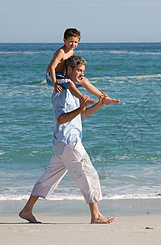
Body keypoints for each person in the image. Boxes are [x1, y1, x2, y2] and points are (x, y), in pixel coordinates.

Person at [20, 55, 117, 224]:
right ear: (69, 70)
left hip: (61, 145)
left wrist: (100, 104)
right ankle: (96, 215)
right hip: (69, 142)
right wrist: (80, 106)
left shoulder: (73, 93)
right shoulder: (62, 92)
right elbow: (61, 119)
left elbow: (81, 115)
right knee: (88, 173)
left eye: (83, 71)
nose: (81, 74)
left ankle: (27, 210)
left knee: (48, 178)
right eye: (79, 70)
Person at [46, 28, 120, 105]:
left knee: (84, 81)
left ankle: (103, 98)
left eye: (75, 42)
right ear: (64, 40)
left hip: (62, 75)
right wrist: (55, 84)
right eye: (71, 42)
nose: (73, 44)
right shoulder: (61, 52)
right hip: (52, 76)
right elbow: (52, 67)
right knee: (70, 83)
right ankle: (83, 100)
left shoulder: (71, 51)